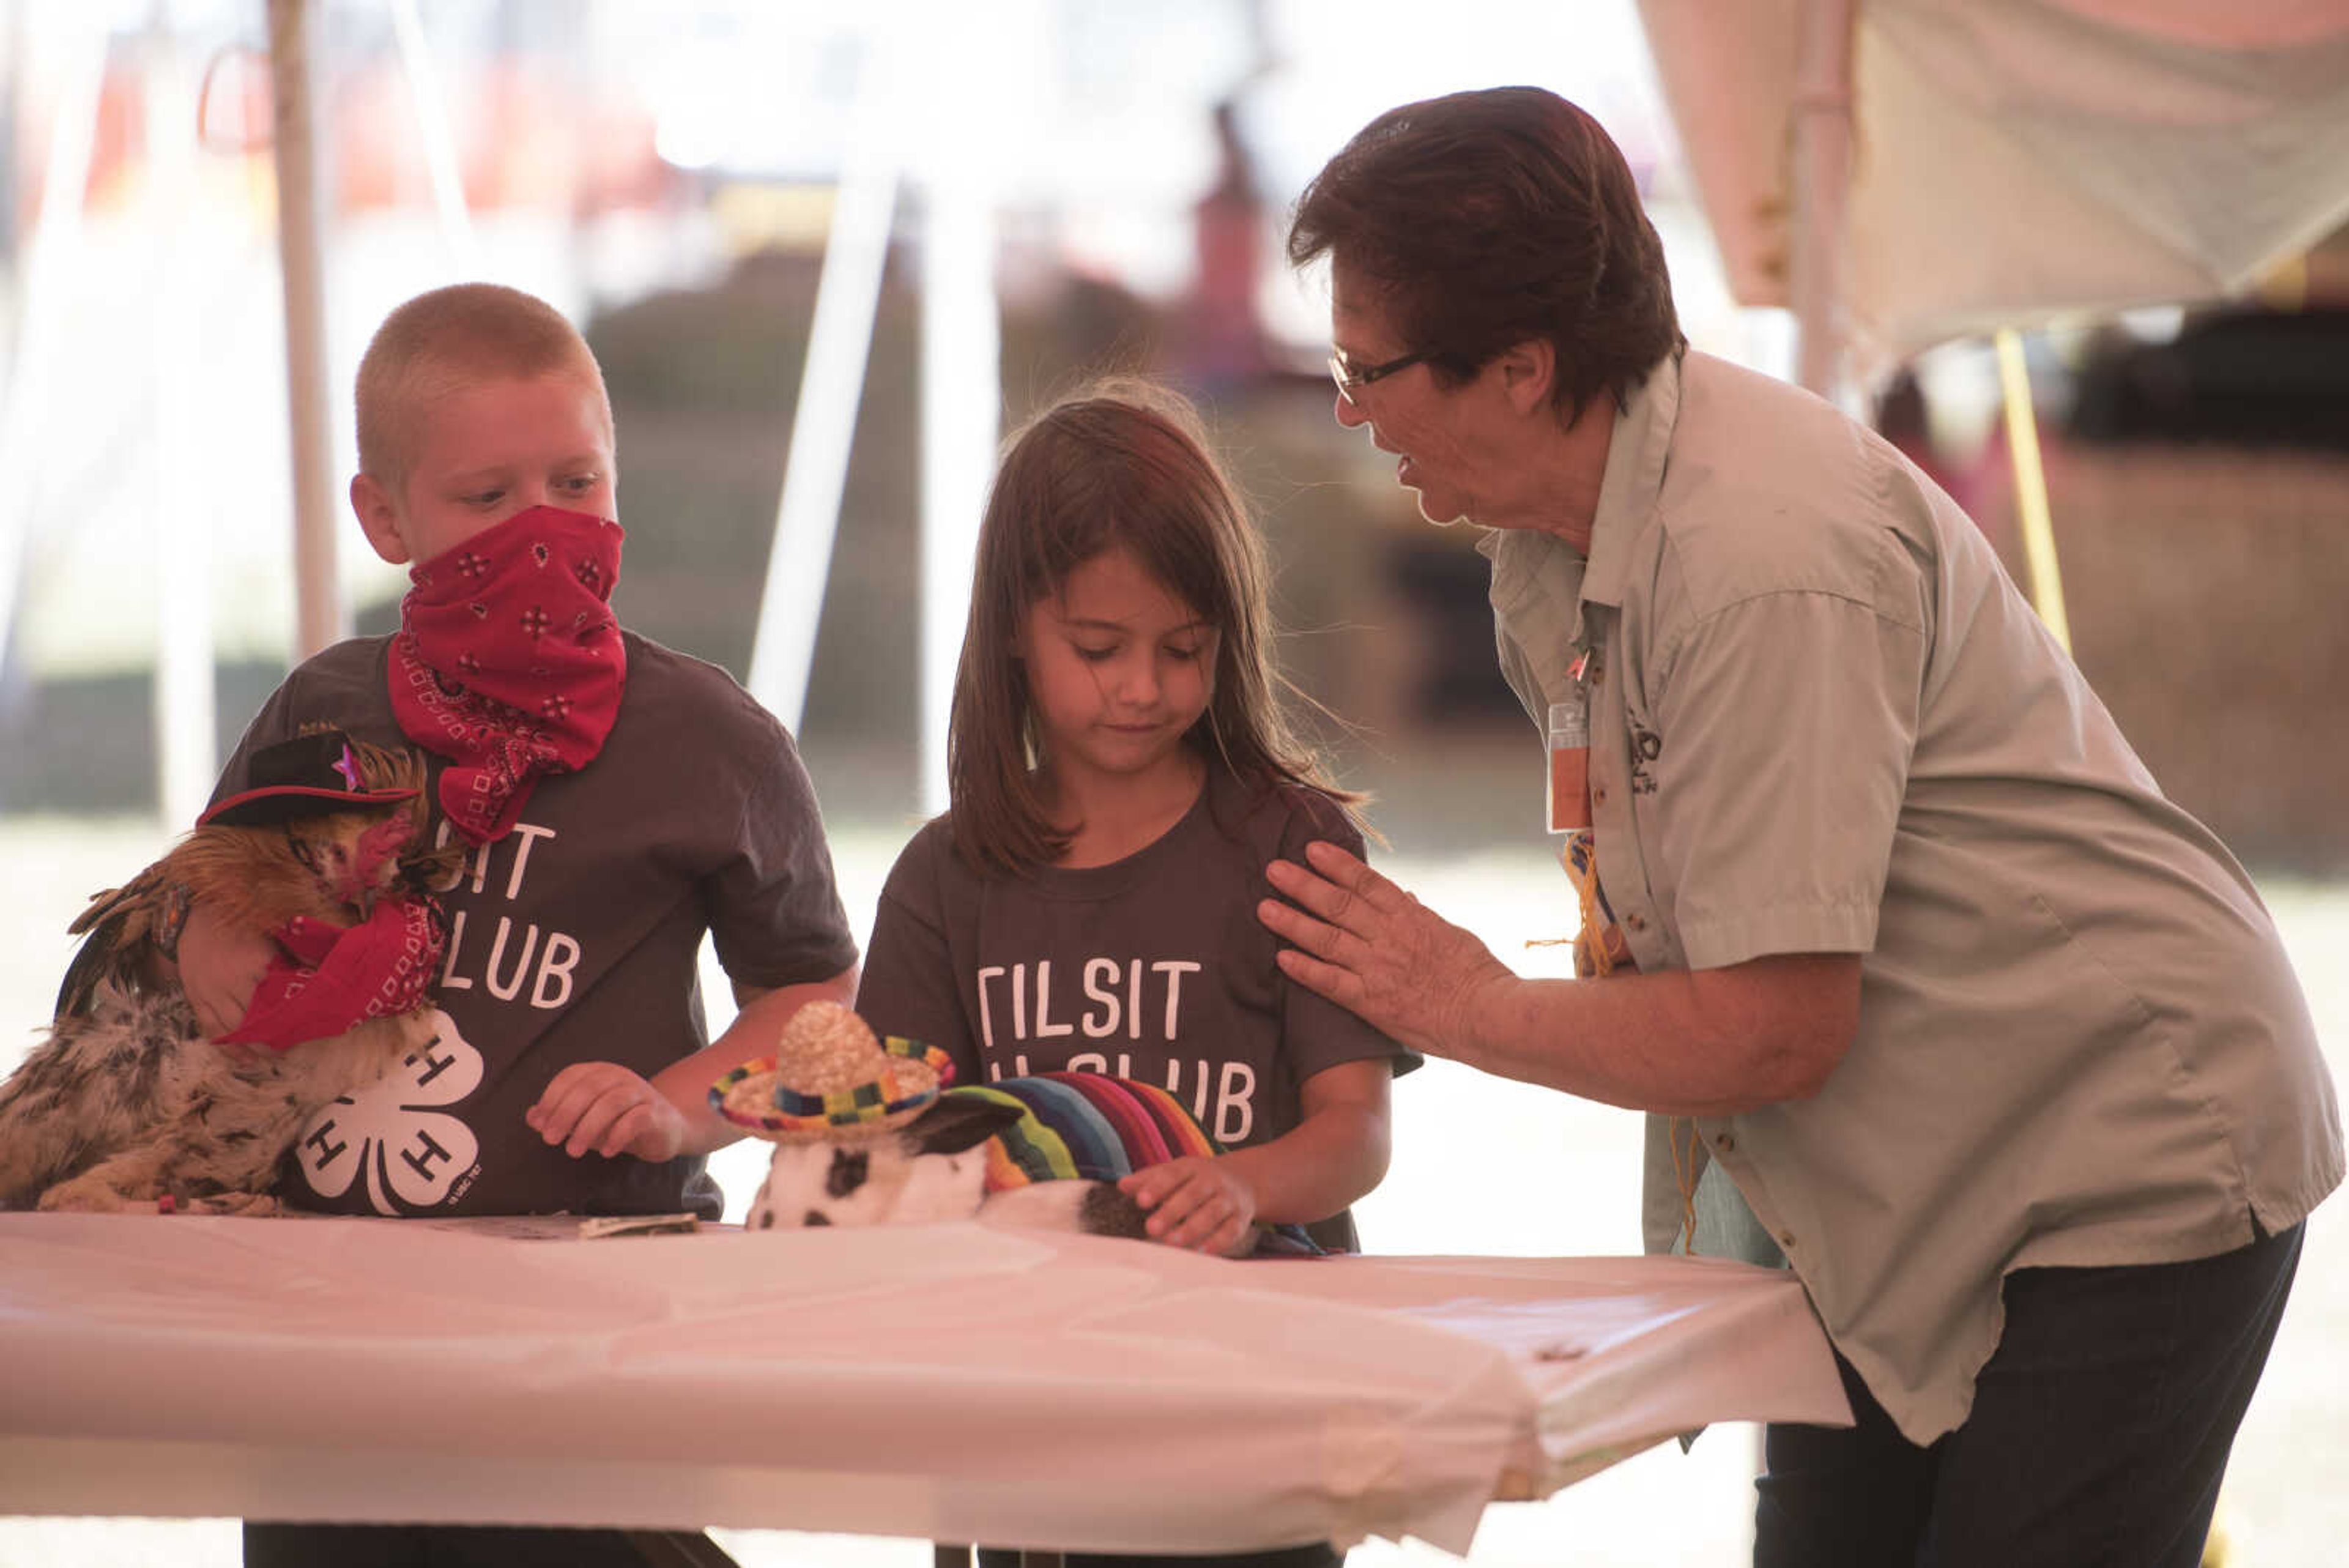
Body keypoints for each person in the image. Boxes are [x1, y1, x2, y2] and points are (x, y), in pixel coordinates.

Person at [1253, 86, 2342, 1568]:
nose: (1348, 409)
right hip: (1912, 1186)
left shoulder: (1762, 557)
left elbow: (1774, 1029)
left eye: (1366, 366)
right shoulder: (1545, 540)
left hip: (2121, 1160)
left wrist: (1465, 1004)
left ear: (1520, 367)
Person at [179, 281, 859, 1567]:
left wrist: (683, 1103)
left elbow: (818, 1001)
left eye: (577, 484)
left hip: (599, 1314)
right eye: (487, 500)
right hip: (330, 1331)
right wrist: (204, 930)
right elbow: (210, 890)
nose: (541, 531)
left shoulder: (712, 742)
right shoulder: (324, 707)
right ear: (385, 518)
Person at [856, 379, 1413, 1276]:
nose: (1143, 688)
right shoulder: (943, 879)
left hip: (1266, 1338)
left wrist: (1245, 1186)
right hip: (1028, 1338)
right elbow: (897, 1154)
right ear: (1011, 629)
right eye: (1099, 649)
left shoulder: (1293, 849)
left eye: (1184, 649)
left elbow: (1358, 1132)